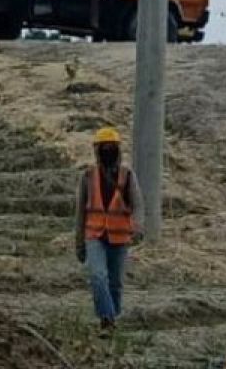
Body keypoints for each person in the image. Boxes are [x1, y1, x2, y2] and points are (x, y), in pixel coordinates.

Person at [74, 126, 145, 336]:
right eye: (103, 147)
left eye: (110, 147)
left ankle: (112, 315)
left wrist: (138, 227)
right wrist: (79, 242)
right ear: (96, 150)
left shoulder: (127, 175)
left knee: (115, 282)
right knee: (98, 276)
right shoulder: (87, 176)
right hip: (94, 236)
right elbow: (80, 213)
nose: (107, 151)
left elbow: (138, 204)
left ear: (117, 149)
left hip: (119, 237)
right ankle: (107, 319)